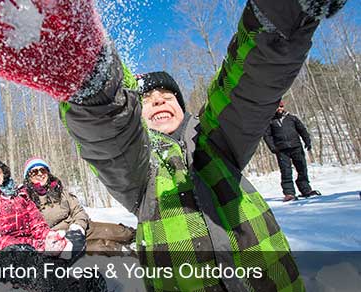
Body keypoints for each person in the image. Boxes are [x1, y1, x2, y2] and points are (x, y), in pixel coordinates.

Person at [58, 2, 346, 291]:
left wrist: (284, 11)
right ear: (136, 116)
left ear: (183, 108)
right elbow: (110, 136)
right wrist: (90, 82)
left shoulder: (216, 141)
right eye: (147, 98)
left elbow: (248, 84)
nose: (159, 100)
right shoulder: (140, 174)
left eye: (168, 95)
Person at [0, 151, 107, 292]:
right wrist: (37, 246)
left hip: (29, 250)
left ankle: (82, 284)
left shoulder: (19, 195)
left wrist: (49, 239)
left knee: (54, 262)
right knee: (27, 262)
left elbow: (37, 225)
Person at [20, 157, 136, 255]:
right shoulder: (25, 200)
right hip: (62, 240)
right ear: (28, 177)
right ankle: (133, 256)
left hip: (80, 227)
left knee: (121, 232)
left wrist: (78, 227)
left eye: (42, 170)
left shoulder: (58, 190)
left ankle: (143, 238)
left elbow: (78, 209)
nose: (40, 174)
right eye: (34, 172)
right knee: (104, 247)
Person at [264, 101, 321, 202]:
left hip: (296, 147)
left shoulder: (291, 118)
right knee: (286, 171)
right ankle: (289, 193)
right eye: (277, 107)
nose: (279, 109)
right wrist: (272, 147)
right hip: (281, 150)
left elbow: (302, 129)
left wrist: (307, 141)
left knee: (302, 168)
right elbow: (267, 136)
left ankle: (306, 190)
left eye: (281, 106)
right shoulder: (270, 121)